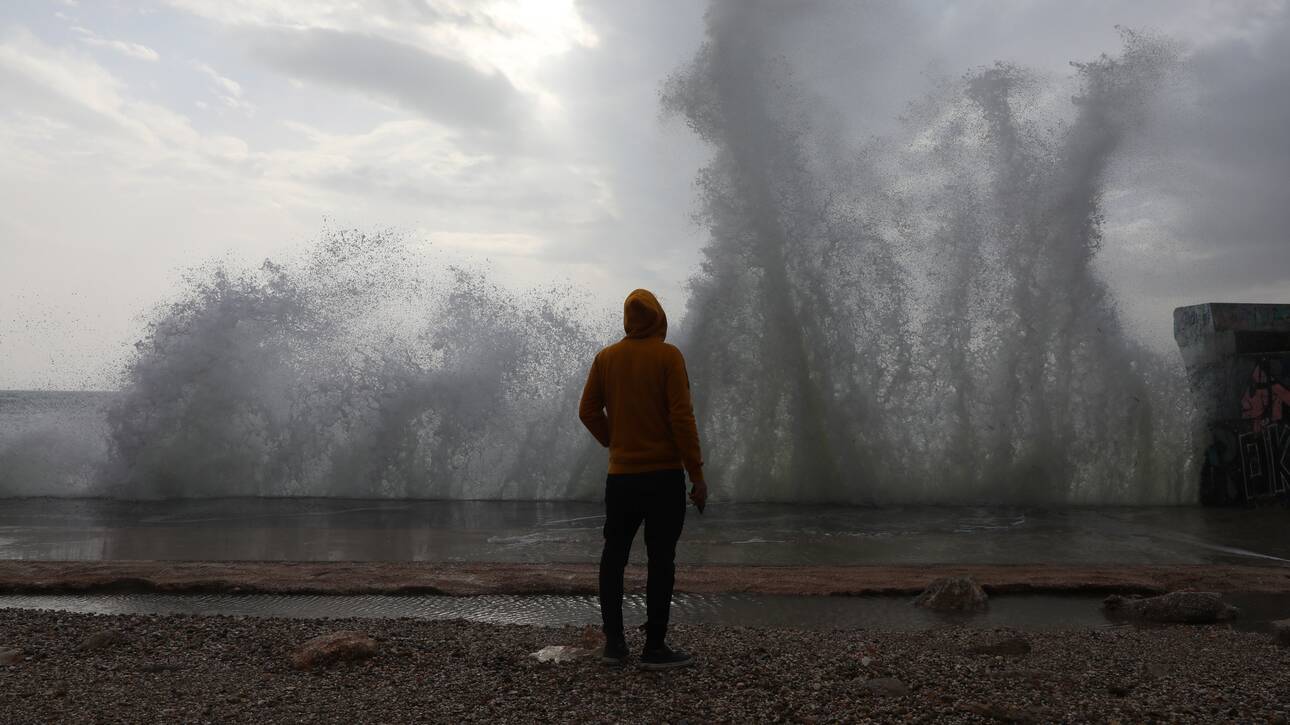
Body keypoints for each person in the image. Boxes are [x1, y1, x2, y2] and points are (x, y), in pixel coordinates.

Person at [579, 289, 707, 670]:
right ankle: (654, 647)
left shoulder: (606, 358)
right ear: (659, 318)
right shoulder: (668, 356)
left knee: (613, 557)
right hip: (664, 477)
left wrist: (613, 441)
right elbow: (682, 419)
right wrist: (696, 474)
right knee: (661, 560)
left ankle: (615, 645)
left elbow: (587, 411)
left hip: (621, 478)